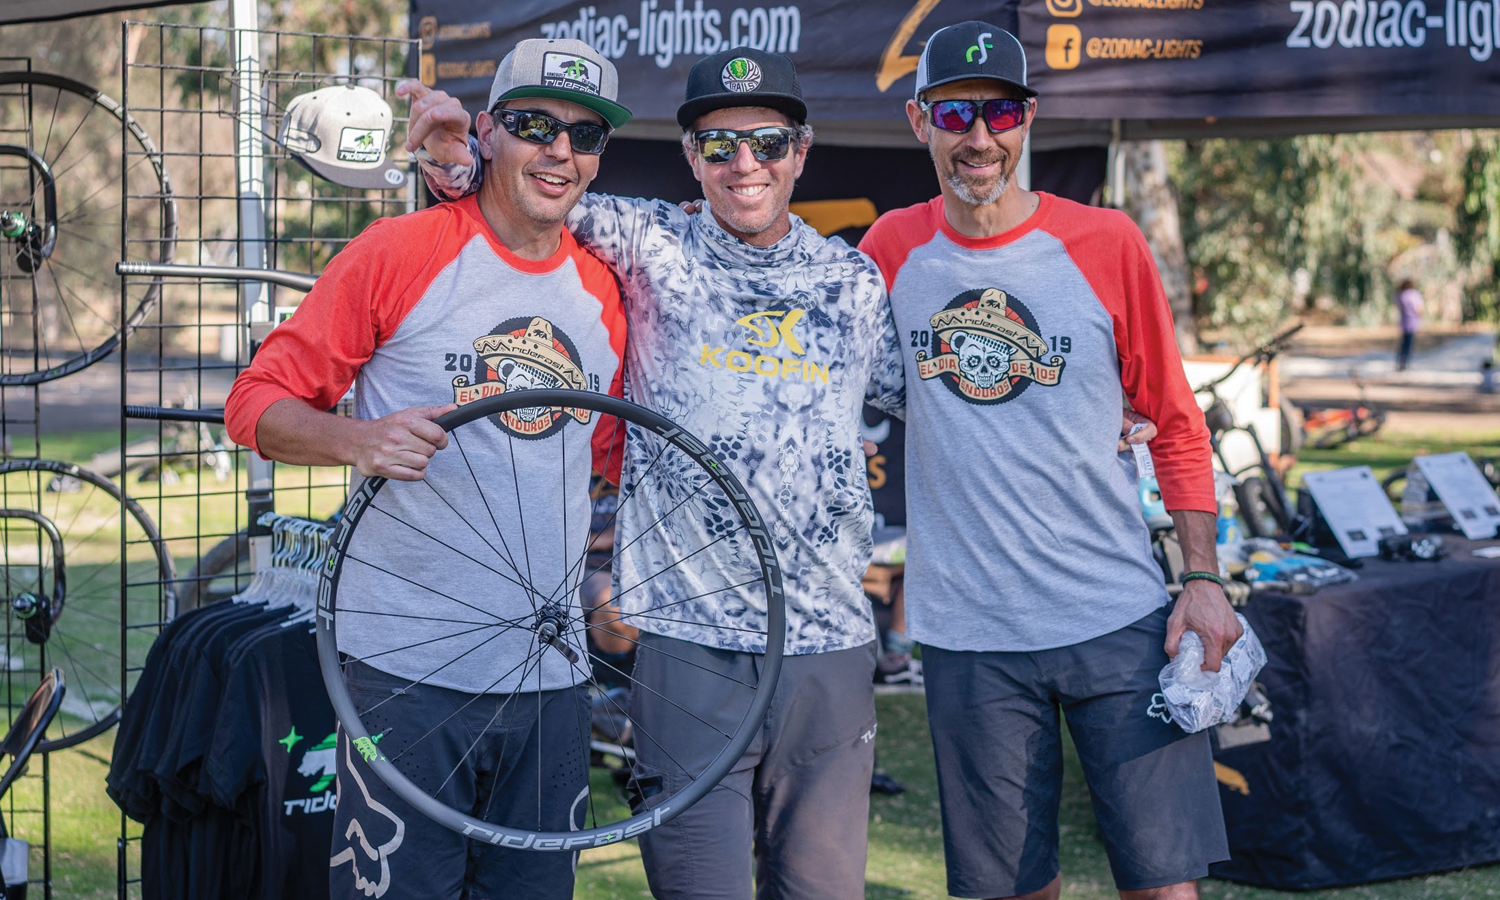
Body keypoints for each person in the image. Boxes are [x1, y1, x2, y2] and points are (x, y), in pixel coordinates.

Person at [224, 38, 630, 900]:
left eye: (585, 134)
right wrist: (356, 441)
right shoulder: (398, 252)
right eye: (535, 124)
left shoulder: (604, 293)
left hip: (551, 682)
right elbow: (255, 403)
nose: (560, 151)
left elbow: (607, 460)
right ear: (488, 131)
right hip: (403, 677)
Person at [857, 21, 1243, 900]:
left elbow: (1176, 422)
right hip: (970, 633)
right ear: (919, 122)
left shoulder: (1107, 241)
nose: (978, 138)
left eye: (1000, 113)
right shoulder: (887, 251)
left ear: (1027, 119)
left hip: (1116, 615)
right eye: (954, 114)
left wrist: (1202, 580)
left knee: (1164, 883)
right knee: (1012, 889)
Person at [1396, 278, 1424, 370]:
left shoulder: (1401, 295)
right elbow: (1419, 308)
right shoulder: (1414, 294)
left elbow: (1399, 307)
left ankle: (1400, 362)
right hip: (1413, 322)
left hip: (1404, 322)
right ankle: (1406, 363)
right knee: (1409, 343)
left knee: (1403, 343)